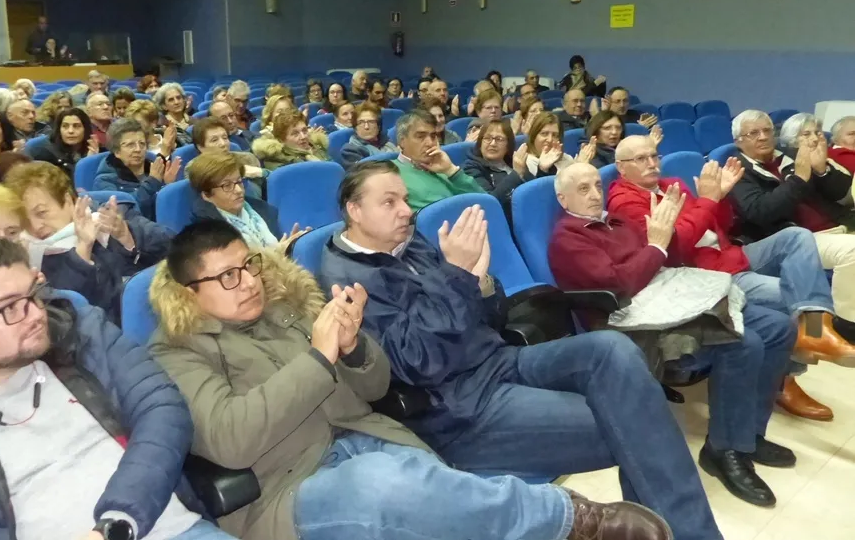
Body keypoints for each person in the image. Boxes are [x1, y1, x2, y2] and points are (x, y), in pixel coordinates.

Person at [148, 219, 673, 540]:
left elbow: (375, 388)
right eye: (227, 276)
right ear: (190, 292)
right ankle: (572, 521)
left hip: (374, 441)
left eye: (250, 265)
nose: (248, 282)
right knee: (383, 484)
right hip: (289, 488)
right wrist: (319, 355)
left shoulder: (287, 309)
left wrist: (353, 348)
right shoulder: (178, 352)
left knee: (425, 495)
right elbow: (232, 438)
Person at [320, 162, 722, 540]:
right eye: (389, 202)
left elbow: (490, 318)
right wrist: (456, 275)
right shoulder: (346, 282)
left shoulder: (408, 244)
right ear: (354, 211)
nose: (406, 211)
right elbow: (420, 362)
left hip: (499, 360)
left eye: (406, 199)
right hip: (459, 407)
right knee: (637, 419)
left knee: (612, 349)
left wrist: (482, 286)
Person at [0, 237, 232, 540]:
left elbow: (163, 411)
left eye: (33, 293)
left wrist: (117, 523)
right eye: (9, 308)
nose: (36, 314)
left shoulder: (81, 330)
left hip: (166, 529)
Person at [549, 163, 796, 506]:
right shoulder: (568, 239)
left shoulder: (618, 221)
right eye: (583, 189)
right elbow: (622, 285)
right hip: (635, 323)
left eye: (597, 185)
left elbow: (673, 256)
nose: (594, 194)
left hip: (672, 299)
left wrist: (666, 234)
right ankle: (723, 450)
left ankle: (749, 434)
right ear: (563, 199)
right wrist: (656, 247)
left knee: (779, 327)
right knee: (744, 343)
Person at [609, 134, 852, 420]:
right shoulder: (624, 202)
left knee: (796, 237)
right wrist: (708, 200)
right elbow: (673, 251)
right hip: (707, 274)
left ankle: (814, 332)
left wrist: (721, 198)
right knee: (790, 294)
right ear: (621, 167)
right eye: (641, 159)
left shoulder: (669, 184)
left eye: (654, 155)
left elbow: (720, 225)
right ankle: (785, 380)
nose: (652, 163)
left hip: (728, 254)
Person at [729, 110, 855, 326]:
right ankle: (846, 325)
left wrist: (822, 170)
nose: (763, 137)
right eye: (753, 133)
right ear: (738, 141)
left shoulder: (791, 155)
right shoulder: (738, 171)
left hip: (839, 225)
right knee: (852, 250)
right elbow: (760, 212)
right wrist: (798, 180)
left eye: (767, 130)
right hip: (800, 239)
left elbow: (842, 195)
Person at [6, 162, 173, 321]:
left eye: (42, 212)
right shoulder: (27, 256)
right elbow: (76, 317)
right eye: (24, 219)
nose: (35, 226)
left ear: (68, 201)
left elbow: (173, 246)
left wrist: (127, 237)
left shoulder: (110, 215)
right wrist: (83, 251)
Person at [187, 152, 307, 250]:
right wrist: (277, 254)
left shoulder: (262, 210)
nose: (239, 190)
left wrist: (291, 247)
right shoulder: (208, 233)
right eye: (227, 186)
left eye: (239, 181)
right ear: (206, 195)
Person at [390, 110, 483, 211]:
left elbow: (484, 202)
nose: (430, 143)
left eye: (433, 136)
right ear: (402, 141)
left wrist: (451, 170)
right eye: (421, 136)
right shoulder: (391, 174)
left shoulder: (442, 166)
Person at [93, 119, 181, 220]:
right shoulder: (105, 180)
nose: (138, 149)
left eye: (142, 144)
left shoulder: (154, 168)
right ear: (116, 151)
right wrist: (152, 183)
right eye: (130, 145)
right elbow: (125, 213)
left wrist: (167, 186)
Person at [461, 118, 529, 217]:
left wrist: (542, 170)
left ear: (508, 145)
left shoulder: (514, 161)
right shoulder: (470, 168)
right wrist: (516, 174)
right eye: (487, 138)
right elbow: (489, 203)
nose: (492, 143)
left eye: (499, 139)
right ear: (480, 143)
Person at [28, 107, 100, 179]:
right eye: (65, 126)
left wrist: (92, 160)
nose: (70, 131)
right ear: (59, 129)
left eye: (76, 126)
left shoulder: (95, 150)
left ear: (86, 129)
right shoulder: (43, 152)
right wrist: (87, 163)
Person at [525, 112, 595, 179]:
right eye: (544, 134)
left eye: (555, 135)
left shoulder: (566, 158)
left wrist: (581, 164)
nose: (550, 139)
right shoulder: (528, 163)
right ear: (534, 136)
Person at [252, 111, 329, 171]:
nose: (303, 137)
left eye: (304, 130)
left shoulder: (314, 145)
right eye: (295, 134)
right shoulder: (276, 161)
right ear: (281, 140)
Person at [339, 102, 398, 169]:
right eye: (361, 122)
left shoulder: (389, 144)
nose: (366, 127)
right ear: (355, 128)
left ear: (379, 126)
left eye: (371, 122)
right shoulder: (349, 150)